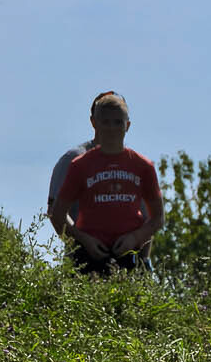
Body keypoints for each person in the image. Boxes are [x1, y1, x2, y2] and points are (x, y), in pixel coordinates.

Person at [48, 92, 163, 274]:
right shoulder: (76, 161)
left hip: (129, 260)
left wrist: (140, 251)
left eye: (117, 121)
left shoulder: (140, 165)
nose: (111, 128)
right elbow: (55, 211)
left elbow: (152, 217)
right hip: (86, 259)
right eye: (106, 121)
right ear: (94, 122)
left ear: (127, 124)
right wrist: (82, 242)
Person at [46, 137, 95, 238]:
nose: (113, 130)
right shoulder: (74, 158)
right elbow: (54, 211)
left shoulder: (127, 161)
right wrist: (80, 241)